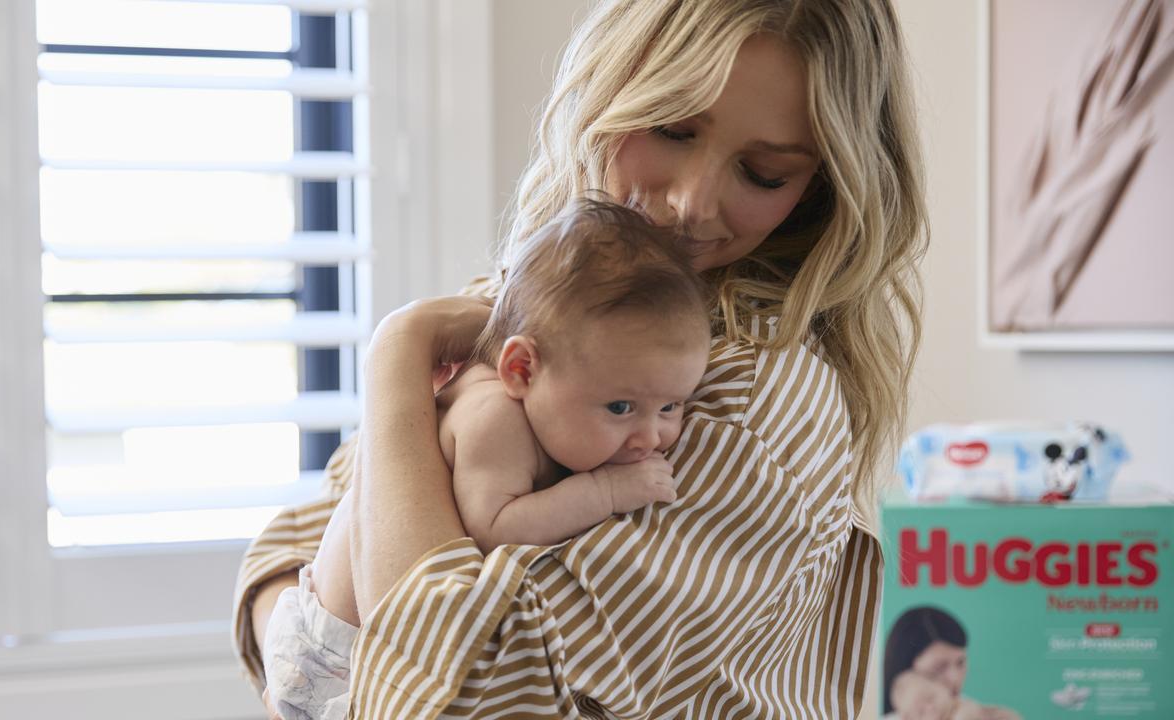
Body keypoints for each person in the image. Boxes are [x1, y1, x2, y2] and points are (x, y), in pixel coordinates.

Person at [233, 0, 929, 716]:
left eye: (762, 173)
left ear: (823, 190)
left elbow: (446, 700)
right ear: (610, 88)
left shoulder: (746, 401)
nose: (692, 203)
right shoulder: (532, 306)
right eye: (672, 128)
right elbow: (283, 555)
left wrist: (397, 356)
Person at [262, 199, 712, 720]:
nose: (650, 437)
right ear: (521, 369)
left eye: (671, 406)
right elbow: (492, 525)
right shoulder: (494, 418)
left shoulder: (564, 395)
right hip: (333, 657)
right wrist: (604, 492)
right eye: (620, 407)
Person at [882, 607, 1021, 720]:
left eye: (961, 663)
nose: (955, 678)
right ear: (906, 671)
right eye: (938, 668)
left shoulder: (979, 713)